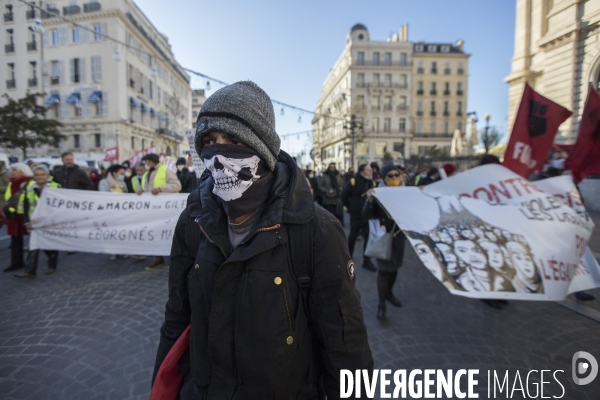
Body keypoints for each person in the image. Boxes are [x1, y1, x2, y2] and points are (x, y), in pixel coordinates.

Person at [151, 81, 372, 399]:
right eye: (209, 141)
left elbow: (347, 349)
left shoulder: (317, 230)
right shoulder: (193, 221)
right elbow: (176, 318)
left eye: (234, 139)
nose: (218, 153)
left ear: (262, 148)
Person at [363, 162, 407, 320]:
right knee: (383, 271)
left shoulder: (406, 192)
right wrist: (370, 200)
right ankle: (381, 304)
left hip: (399, 237)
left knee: (394, 268)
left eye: (396, 175)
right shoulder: (378, 192)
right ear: (384, 177)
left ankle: (389, 293)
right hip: (383, 236)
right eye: (390, 176)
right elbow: (366, 214)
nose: (394, 178)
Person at [15, 165, 61, 278]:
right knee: (33, 246)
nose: (40, 177)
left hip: (50, 222)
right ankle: (30, 270)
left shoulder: (56, 187)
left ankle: (52, 264)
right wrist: (26, 222)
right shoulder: (30, 188)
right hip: (34, 222)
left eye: (42, 175)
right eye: (37, 175)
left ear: (47, 176)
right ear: (34, 177)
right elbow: (26, 206)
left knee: (49, 246)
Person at [138, 153, 181, 270]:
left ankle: (173, 257)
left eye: (147, 162)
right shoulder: (146, 174)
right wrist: (140, 191)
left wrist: (161, 189)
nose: (145, 165)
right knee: (157, 233)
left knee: (170, 233)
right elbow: (147, 189)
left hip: (167, 210)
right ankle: (159, 257)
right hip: (153, 211)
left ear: (153, 161)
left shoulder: (165, 170)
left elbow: (177, 186)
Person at [341, 164, 377, 271]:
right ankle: (348, 258)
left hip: (368, 215)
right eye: (369, 170)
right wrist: (349, 208)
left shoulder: (372, 182)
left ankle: (367, 261)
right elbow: (344, 196)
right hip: (356, 215)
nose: (371, 172)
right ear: (362, 171)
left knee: (367, 238)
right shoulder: (354, 181)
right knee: (353, 236)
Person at [3, 163, 33, 273]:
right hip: (13, 215)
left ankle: (33, 264)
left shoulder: (29, 183)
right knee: (15, 240)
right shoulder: (12, 183)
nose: (11, 171)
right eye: (11, 169)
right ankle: (16, 262)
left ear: (22, 171)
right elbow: (8, 197)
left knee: (33, 240)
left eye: (14, 169)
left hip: (25, 215)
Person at [99, 164, 129, 261]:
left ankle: (124, 250)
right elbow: (102, 196)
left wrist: (124, 191)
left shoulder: (122, 183)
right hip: (110, 212)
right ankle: (114, 251)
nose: (123, 175)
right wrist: (111, 189)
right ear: (114, 173)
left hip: (121, 211)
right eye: (121, 173)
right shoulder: (104, 182)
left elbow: (128, 196)